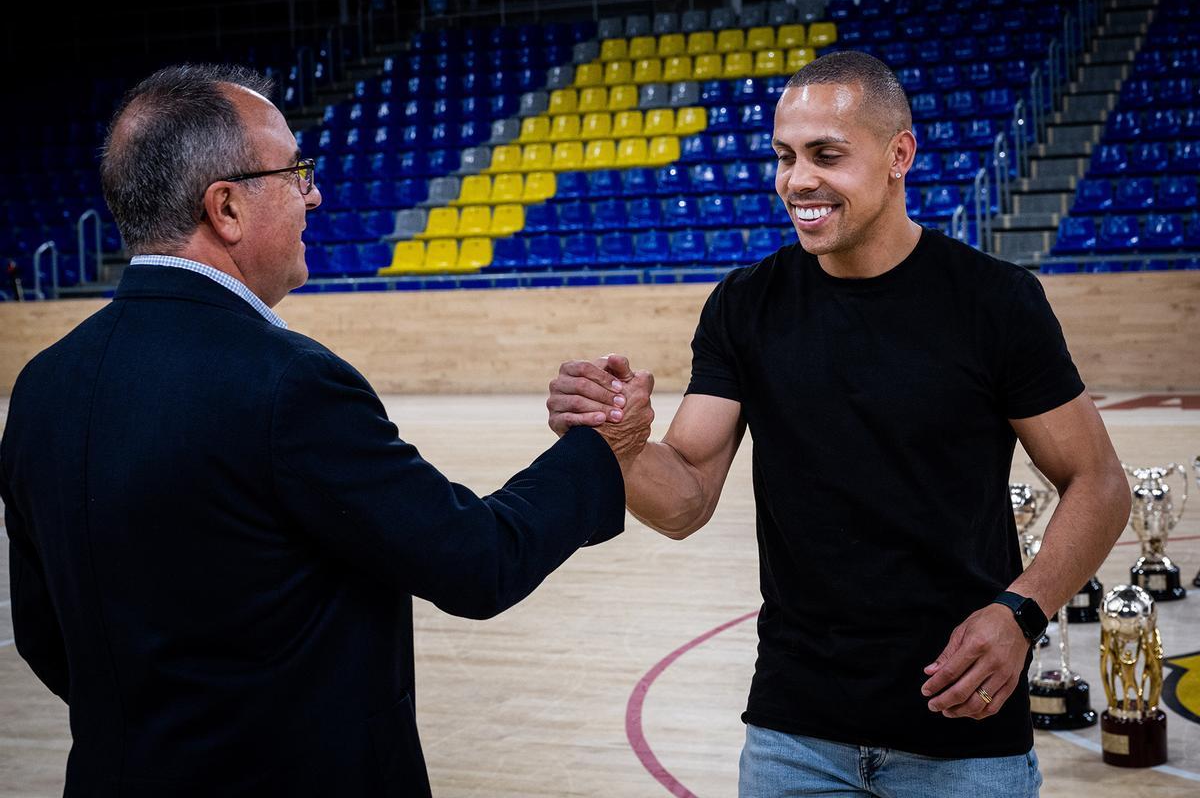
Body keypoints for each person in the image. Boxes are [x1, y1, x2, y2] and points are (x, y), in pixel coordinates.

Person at [0, 64, 652, 797]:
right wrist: (601, 448)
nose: (313, 193)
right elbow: (475, 561)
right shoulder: (288, 383)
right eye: (294, 172)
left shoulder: (42, 384)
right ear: (227, 209)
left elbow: (44, 636)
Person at [547, 52, 1130, 797]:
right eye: (784, 157)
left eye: (827, 154)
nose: (797, 181)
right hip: (794, 732)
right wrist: (621, 448)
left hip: (961, 732)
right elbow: (686, 495)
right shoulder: (745, 305)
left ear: (898, 155)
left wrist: (1022, 612)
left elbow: (1099, 482)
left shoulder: (994, 302)